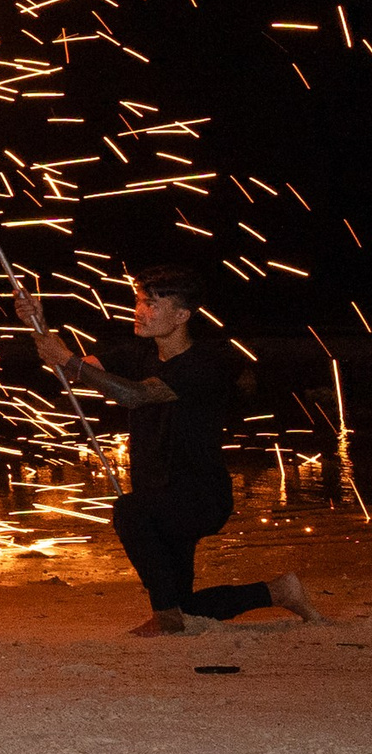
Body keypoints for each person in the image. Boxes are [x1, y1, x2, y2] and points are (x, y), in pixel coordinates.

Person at [18, 268, 326, 636]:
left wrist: (68, 359)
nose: (140, 311)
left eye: (152, 303)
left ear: (182, 316)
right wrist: (38, 322)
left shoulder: (205, 364)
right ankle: (278, 591)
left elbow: (134, 394)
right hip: (158, 493)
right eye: (138, 301)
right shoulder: (139, 353)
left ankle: (164, 619)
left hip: (199, 496)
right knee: (185, 605)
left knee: (129, 511)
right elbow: (69, 371)